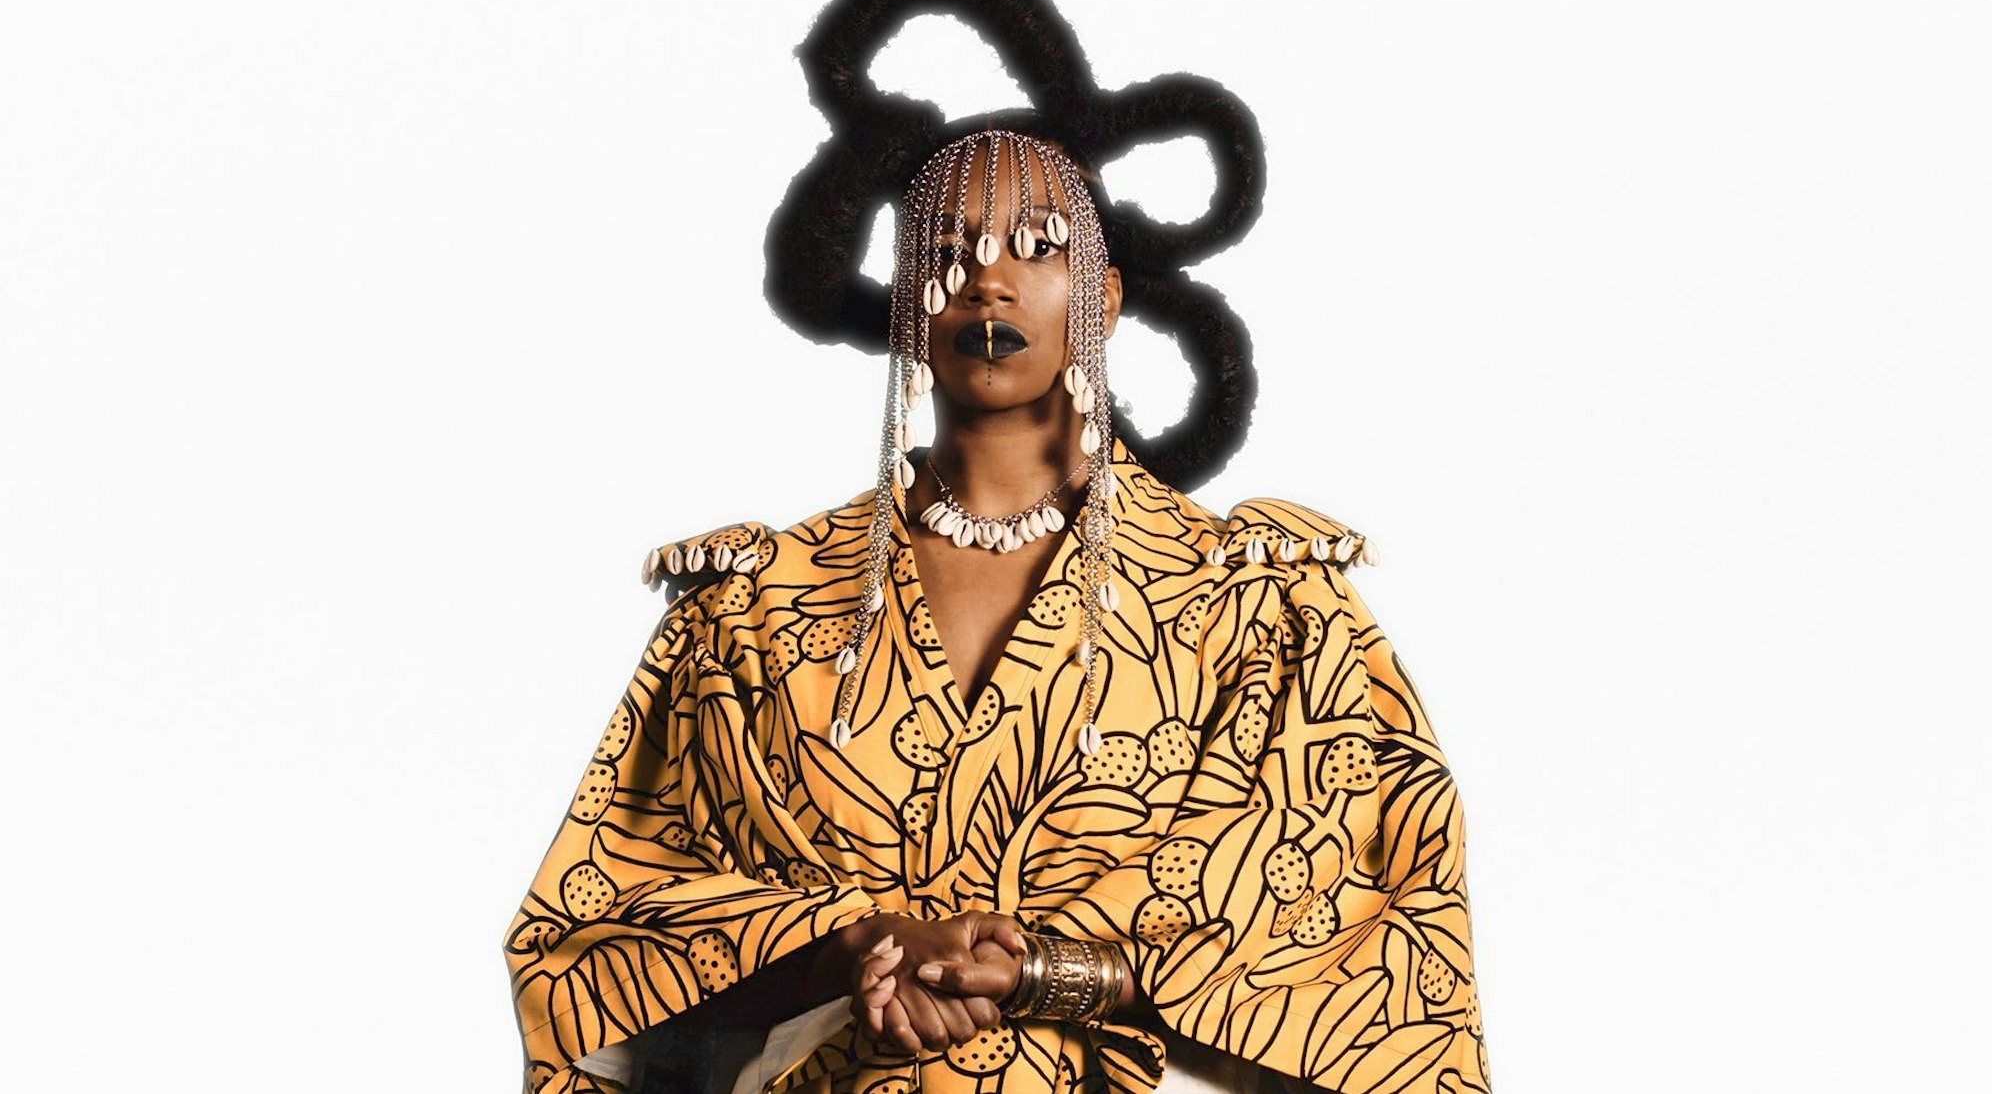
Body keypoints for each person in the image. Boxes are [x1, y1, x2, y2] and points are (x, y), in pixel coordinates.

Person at [503, 122, 1492, 1094]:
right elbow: (592, 946)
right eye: (949, 250)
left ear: (1104, 299)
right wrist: (853, 946)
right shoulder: (752, 609)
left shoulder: (1256, 602)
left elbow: (1372, 930)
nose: (989, 281)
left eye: (1039, 247)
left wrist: (1053, 974)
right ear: (905, 301)